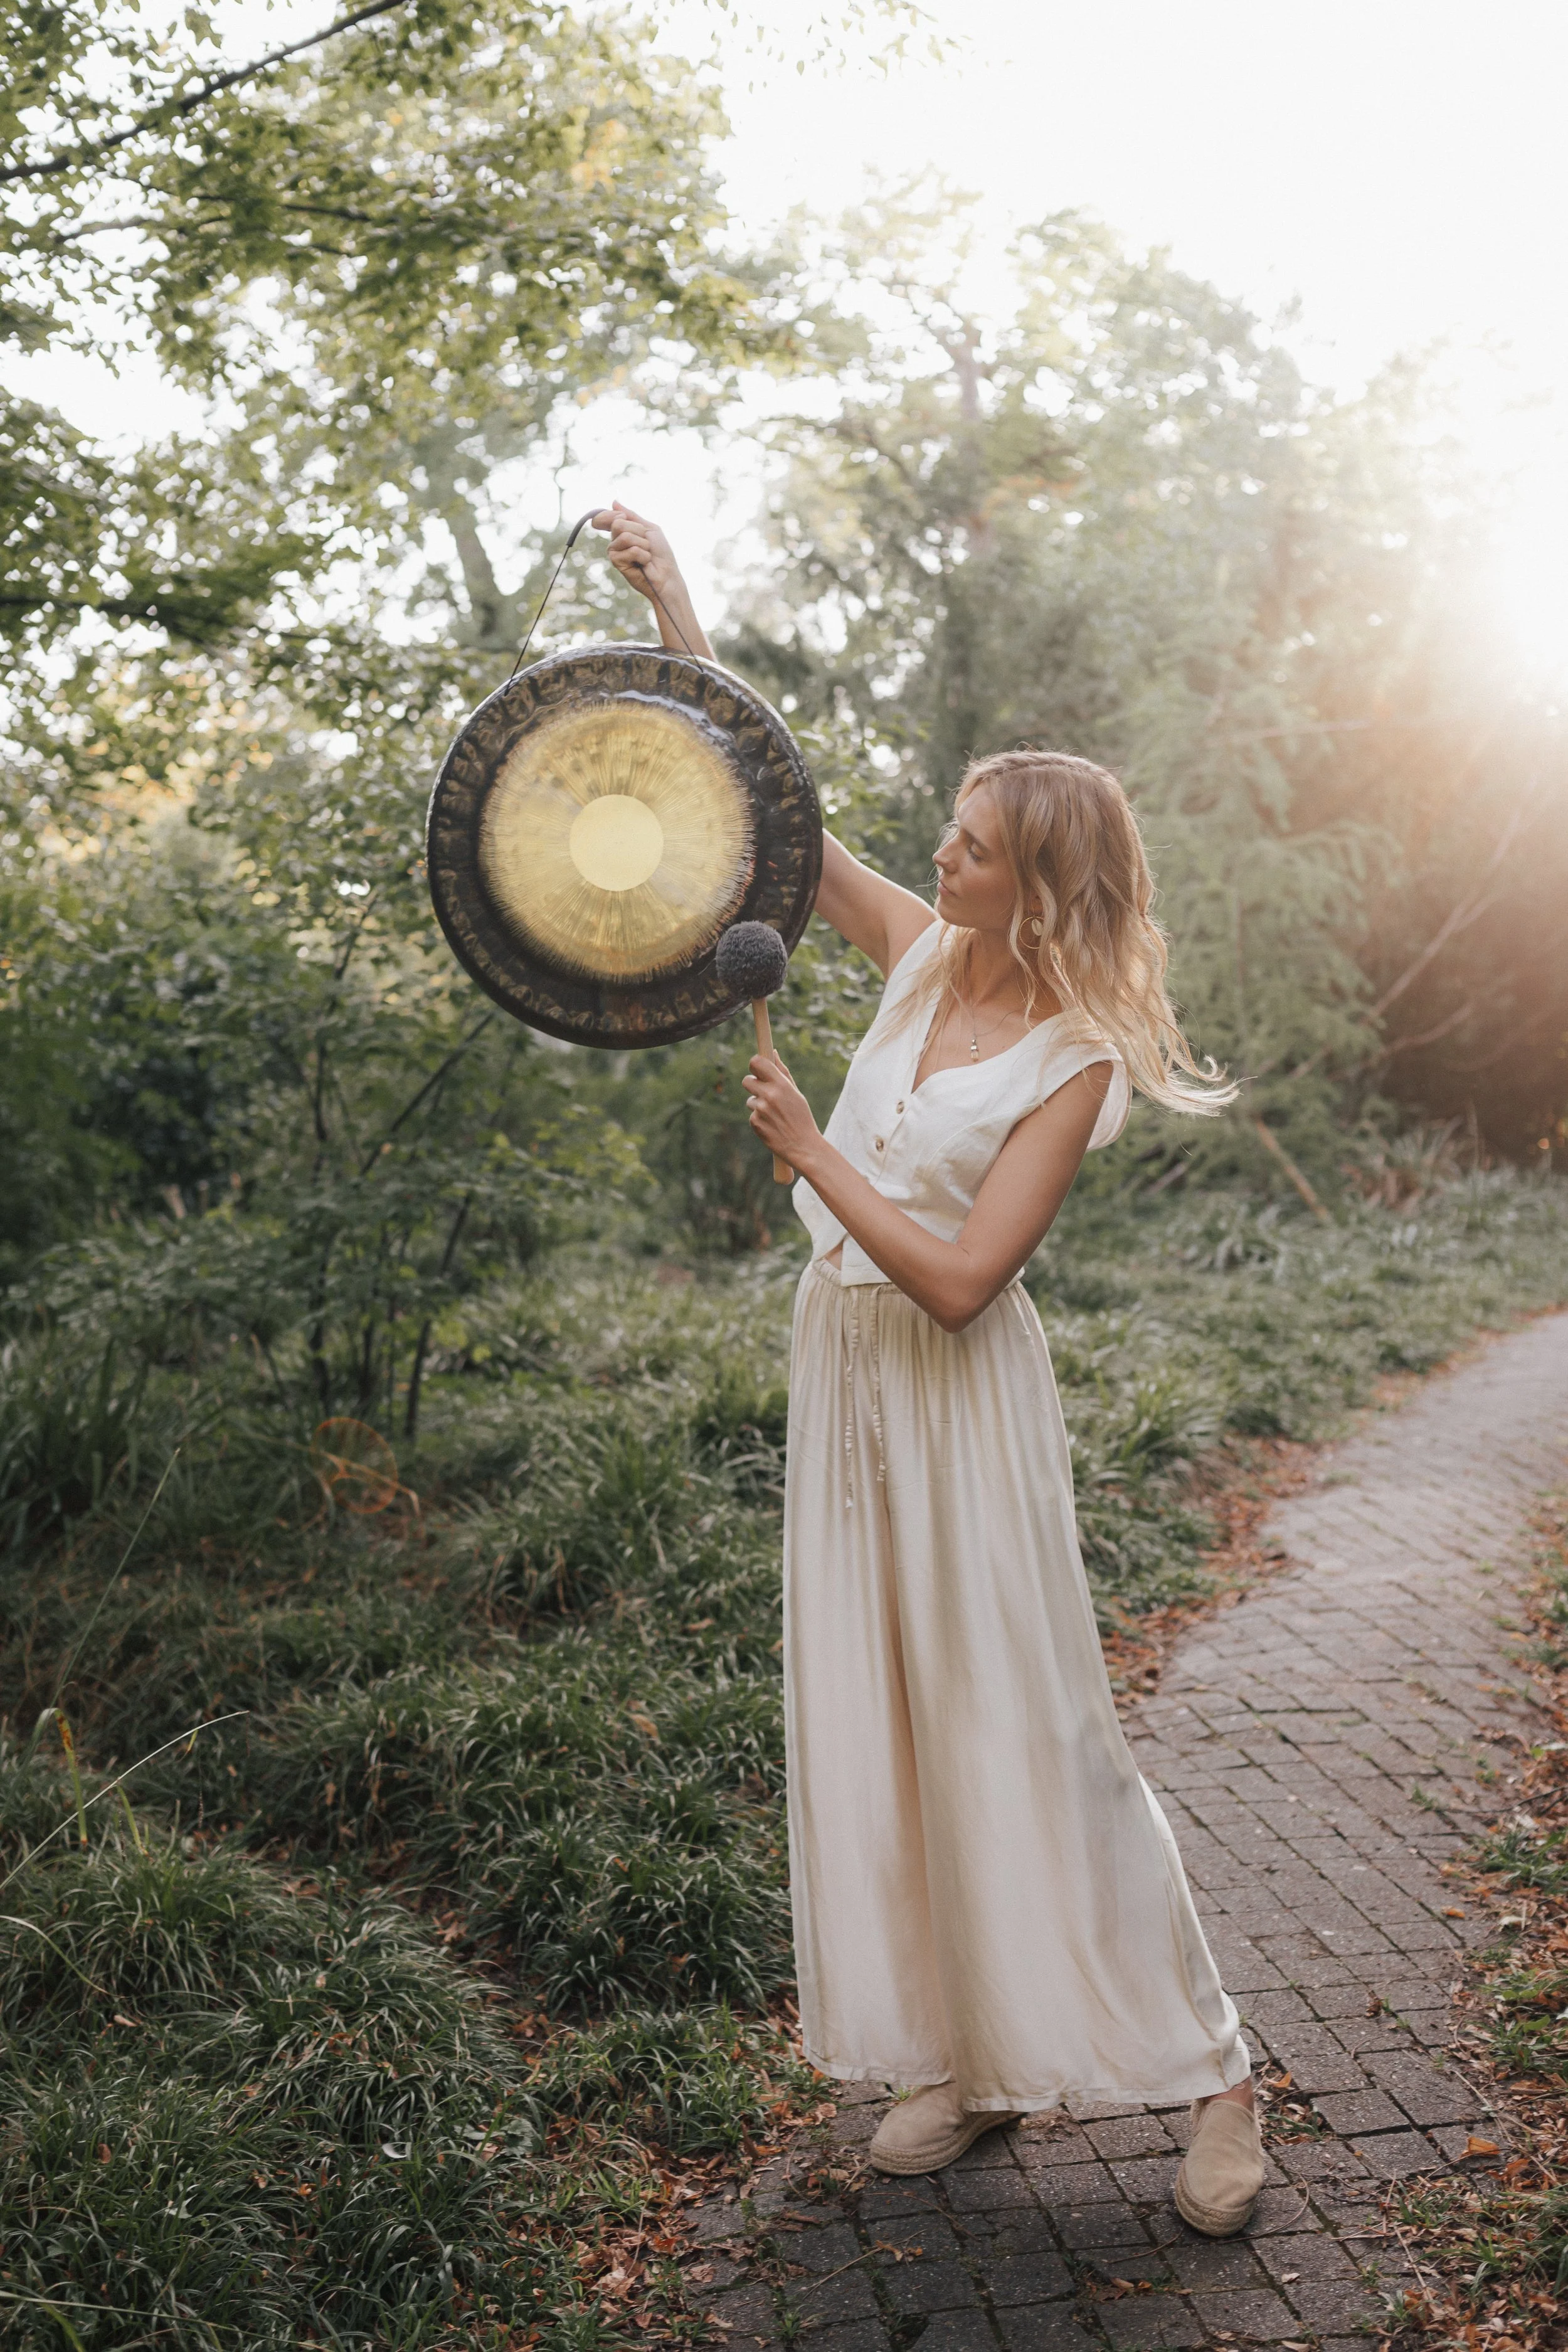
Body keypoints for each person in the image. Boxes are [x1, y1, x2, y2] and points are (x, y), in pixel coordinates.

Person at [593, 502, 1266, 2238]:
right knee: (885, 1718)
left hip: (955, 1398)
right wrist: (680, 602)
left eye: (970, 848)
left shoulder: (1073, 1053)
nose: (940, 858)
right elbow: (779, 806)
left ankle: (1214, 2069)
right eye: (951, 839)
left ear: (1040, 880)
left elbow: (967, 1283)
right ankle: (967, 2060)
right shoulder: (917, 952)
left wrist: (818, 1158)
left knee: (1034, 1725)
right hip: (845, 1378)